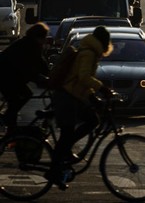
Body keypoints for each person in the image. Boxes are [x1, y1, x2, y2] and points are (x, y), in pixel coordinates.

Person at [46, 26, 114, 190]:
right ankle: (54, 170)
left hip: (73, 96)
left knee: (92, 120)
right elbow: (83, 77)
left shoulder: (89, 51)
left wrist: (92, 97)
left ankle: (66, 152)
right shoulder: (88, 53)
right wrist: (102, 88)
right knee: (68, 133)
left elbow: (80, 79)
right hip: (66, 97)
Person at [0, 23, 49, 137]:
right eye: (44, 37)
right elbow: (26, 68)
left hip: (11, 76)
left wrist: (49, 75)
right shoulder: (28, 45)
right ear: (39, 37)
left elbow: (40, 64)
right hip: (5, 76)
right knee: (21, 96)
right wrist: (40, 79)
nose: (45, 40)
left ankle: (11, 129)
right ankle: (10, 126)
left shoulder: (31, 44)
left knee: (22, 96)